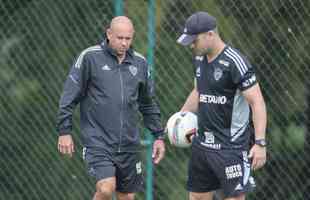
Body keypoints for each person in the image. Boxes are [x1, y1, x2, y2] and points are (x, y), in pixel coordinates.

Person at [56, 16, 165, 200]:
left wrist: (158, 136)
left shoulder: (140, 63)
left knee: (127, 197)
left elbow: (147, 103)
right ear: (109, 34)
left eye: (128, 39)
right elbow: (69, 96)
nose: (124, 43)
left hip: (129, 144)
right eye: (119, 38)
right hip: (98, 142)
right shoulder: (90, 57)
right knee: (106, 188)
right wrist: (64, 130)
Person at [177, 12, 267, 200]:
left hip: (231, 147)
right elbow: (198, 91)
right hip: (202, 145)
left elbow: (257, 102)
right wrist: (181, 117)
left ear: (210, 34)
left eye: (195, 40)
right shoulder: (199, 59)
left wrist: (260, 143)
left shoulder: (236, 61)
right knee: (197, 197)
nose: (192, 45)